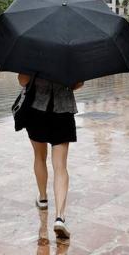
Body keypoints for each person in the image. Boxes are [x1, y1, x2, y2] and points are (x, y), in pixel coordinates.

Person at [17, 73, 83, 240]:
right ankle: (60, 217)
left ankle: (43, 198)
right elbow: (78, 83)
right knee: (60, 166)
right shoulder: (71, 51)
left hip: (36, 110)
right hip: (62, 111)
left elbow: (23, 80)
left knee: (39, 157)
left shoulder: (32, 49)